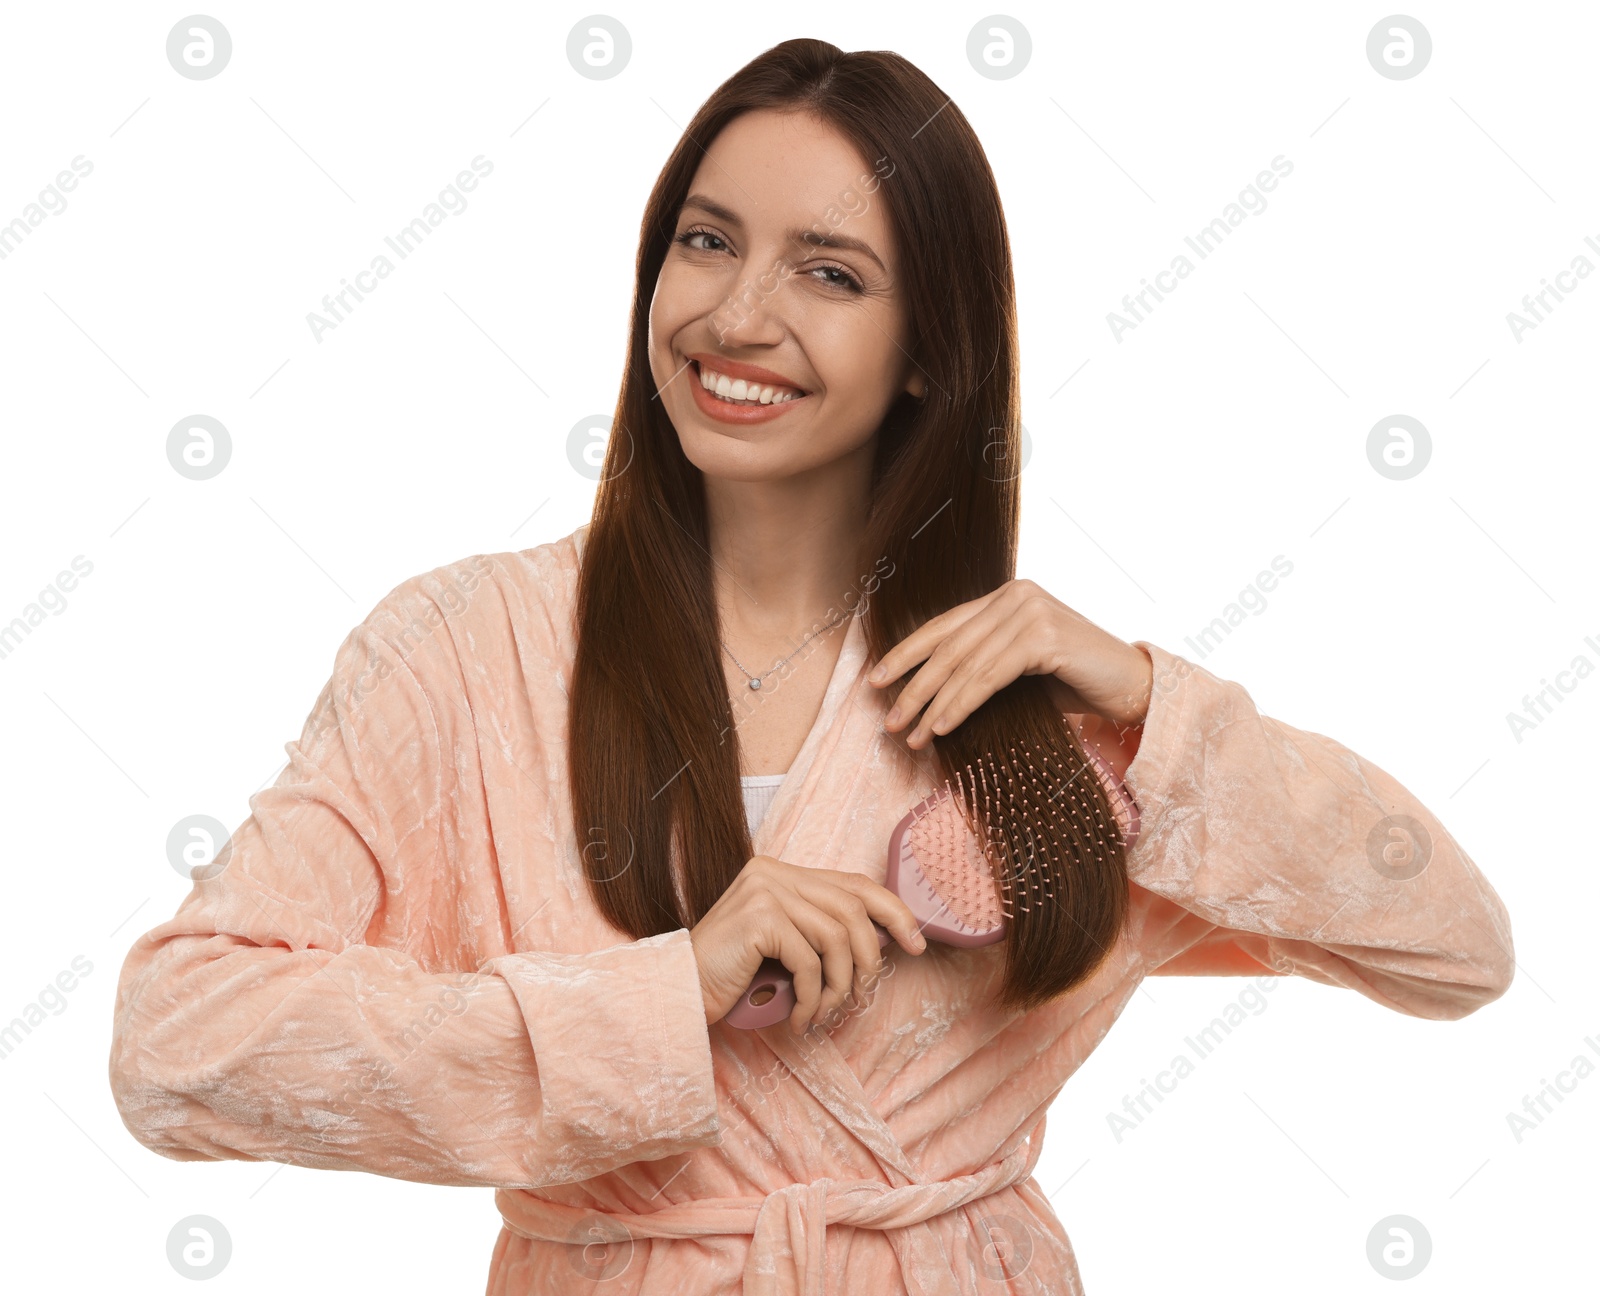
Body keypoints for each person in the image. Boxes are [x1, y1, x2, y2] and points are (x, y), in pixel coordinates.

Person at [108, 38, 1515, 1295]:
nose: (737, 315)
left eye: (830, 273)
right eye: (707, 243)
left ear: (928, 350)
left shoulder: (1044, 723)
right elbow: (179, 1047)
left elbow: (1454, 946)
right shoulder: (467, 652)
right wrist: (665, 995)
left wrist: (1157, 703)